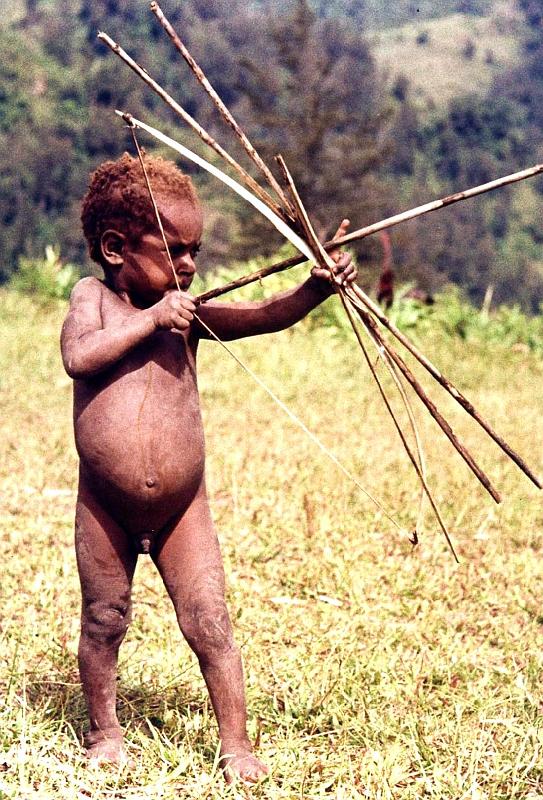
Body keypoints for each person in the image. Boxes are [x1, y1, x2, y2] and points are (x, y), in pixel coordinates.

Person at [61, 152, 356, 784]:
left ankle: (236, 742)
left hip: (181, 508)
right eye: (174, 249)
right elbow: (79, 358)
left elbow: (261, 317)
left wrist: (314, 289)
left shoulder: (186, 314)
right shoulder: (94, 300)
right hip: (105, 506)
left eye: (195, 250)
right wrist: (149, 321)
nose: (190, 266)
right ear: (116, 248)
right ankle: (104, 729)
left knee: (211, 622)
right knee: (104, 618)